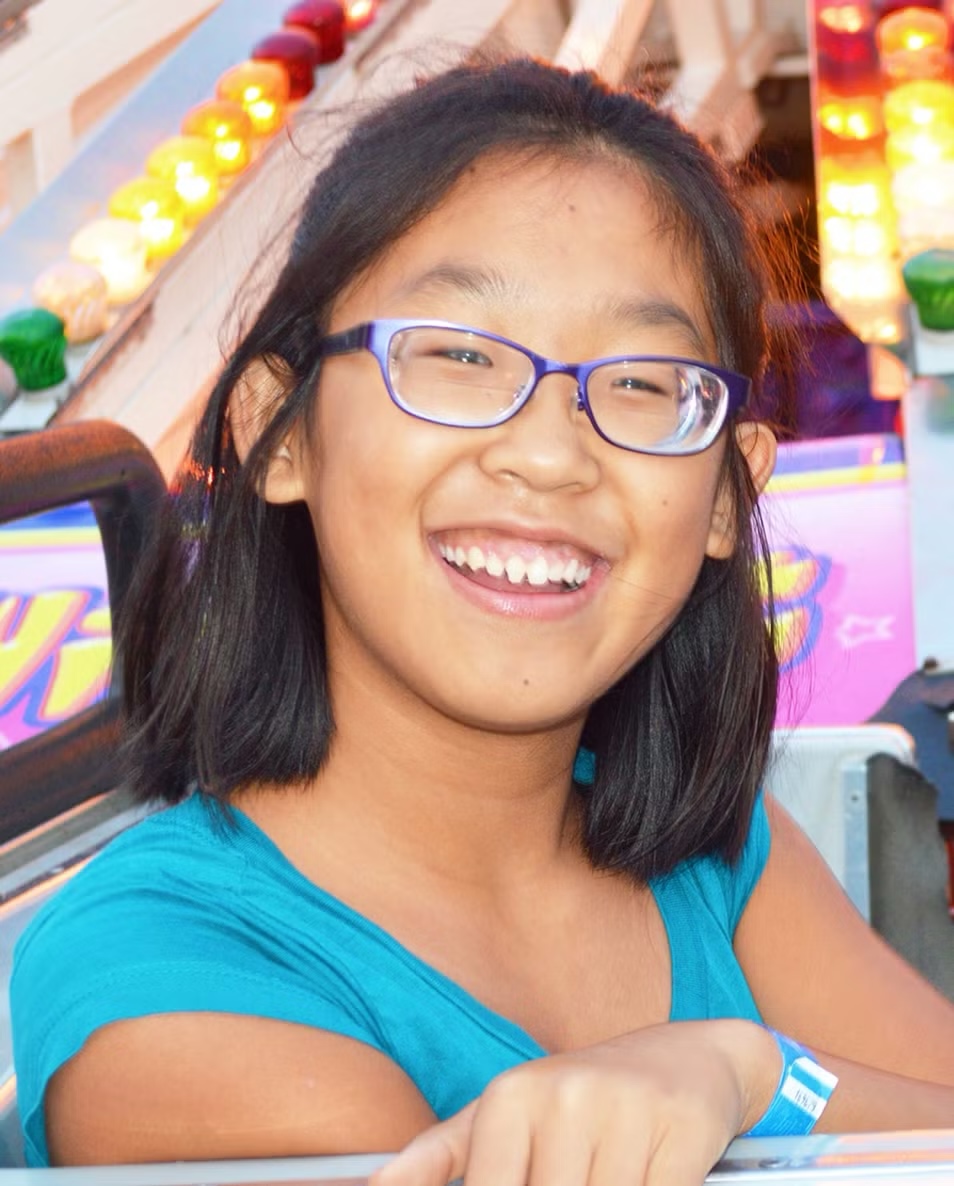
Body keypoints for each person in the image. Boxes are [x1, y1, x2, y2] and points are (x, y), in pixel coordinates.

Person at [11, 55, 954, 1180]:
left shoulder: (721, 853)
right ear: (282, 431)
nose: (552, 454)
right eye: (456, 356)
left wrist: (755, 1077)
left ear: (724, 494)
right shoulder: (161, 973)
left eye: (645, 383)